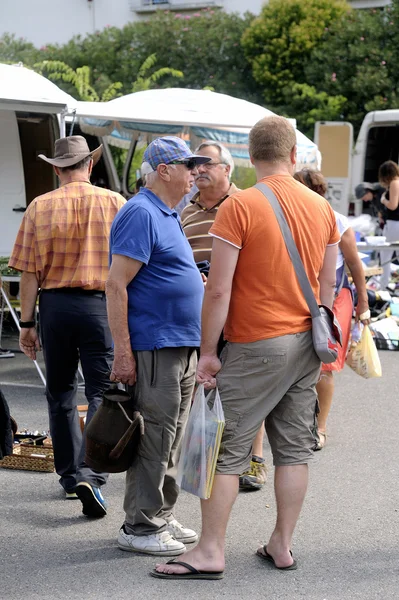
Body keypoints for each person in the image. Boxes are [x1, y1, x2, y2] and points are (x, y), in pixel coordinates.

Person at [152, 115, 340, 580]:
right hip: (305, 343)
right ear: (294, 155)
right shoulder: (322, 208)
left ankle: (210, 550)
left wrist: (209, 352)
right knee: (294, 449)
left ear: (250, 157)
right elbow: (327, 283)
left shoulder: (241, 206)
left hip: (256, 341)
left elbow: (218, 291)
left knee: (224, 450)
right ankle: (282, 543)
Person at [8, 136, 125, 517]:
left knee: (59, 392)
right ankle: (93, 471)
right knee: (100, 392)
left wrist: (27, 324)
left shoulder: (39, 207)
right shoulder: (116, 204)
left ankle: (70, 473)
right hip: (101, 305)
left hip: (55, 306)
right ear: (90, 166)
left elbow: (28, 275)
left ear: (56, 168)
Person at [106, 136, 210, 556]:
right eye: (189, 166)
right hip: (156, 346)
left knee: (172, 438)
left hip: (178, 345)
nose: (195, 173)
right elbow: (116, 285)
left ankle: (159, 514)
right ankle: (140, 525)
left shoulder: (168, 213)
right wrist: (124, 352)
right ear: (164, 170)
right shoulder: (141, 212)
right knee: (155, 437)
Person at [181, 141, 267, 491]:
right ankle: (205, 457)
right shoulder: (186, 211)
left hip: (237, 311)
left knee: (247, 389)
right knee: (201, 386)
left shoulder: (245, 204)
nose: (199, 170)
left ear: (227, 169)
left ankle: (255, 460)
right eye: (195, 165)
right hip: (197, 312)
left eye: (207, 164)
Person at [294, 169, 370, 450]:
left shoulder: (336, 219)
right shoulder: (292, 218)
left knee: (324, 365)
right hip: (301, 298)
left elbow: (354, 264)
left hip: (335, 299)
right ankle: (298, 420)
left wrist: (363, 304)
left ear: (315, 190)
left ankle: (320, 427)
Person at [378, 160, 399, 290]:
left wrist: (383, 200)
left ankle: (383, 285)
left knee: (385, 253)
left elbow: (393, 205)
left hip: (394, 223)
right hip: (395, 223)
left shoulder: (394, 183)